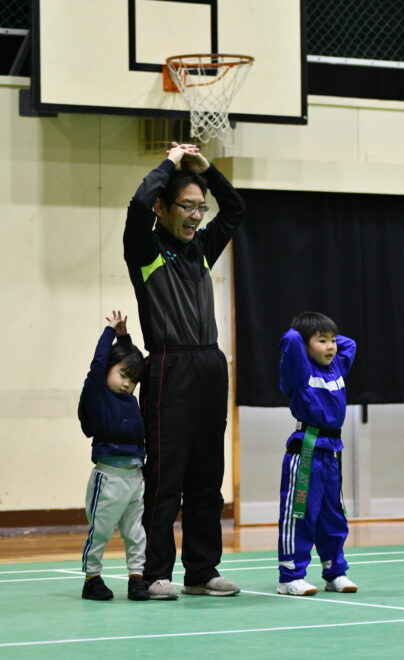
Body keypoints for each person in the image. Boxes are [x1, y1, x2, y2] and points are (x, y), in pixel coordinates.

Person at [123, 142, 245, 599]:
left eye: (200, 207)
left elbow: (235, 208)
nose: (196, 216)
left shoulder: (201, 249)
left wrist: (206, 170)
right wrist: (170, 163)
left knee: (206, 480)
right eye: (187, 206)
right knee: (165, 480)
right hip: (170, 368)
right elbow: (137, 207)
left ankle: (201, 571)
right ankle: (155, 573)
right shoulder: (145, 248)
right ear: (163, 208)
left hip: (210, 366)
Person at [277, 311, 358, 596]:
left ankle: (335, 572)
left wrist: (323, 336)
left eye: (332, 340)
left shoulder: (336, 367)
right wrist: (302, 337)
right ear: (304, 346)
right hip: (306, 451)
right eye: (322, 341)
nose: (331, 346)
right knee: (300, 514)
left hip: (331, 454)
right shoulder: (299, 372)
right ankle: (290, 576)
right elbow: (290, 340)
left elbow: (350, 344)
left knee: (332, 515)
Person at [78, 310, 149, 601]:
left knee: (136, 533)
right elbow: (98, 364)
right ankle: (92, 579)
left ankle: (136, 578)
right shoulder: (97, 395)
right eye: (122, 374)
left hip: (135, 477)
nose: (127, 383)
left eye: (133, 380)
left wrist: (125, 340)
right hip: (108, 479)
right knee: (100, 532)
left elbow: (131, 362)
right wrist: (111, 333)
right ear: (108, 368)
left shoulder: (129, 400)